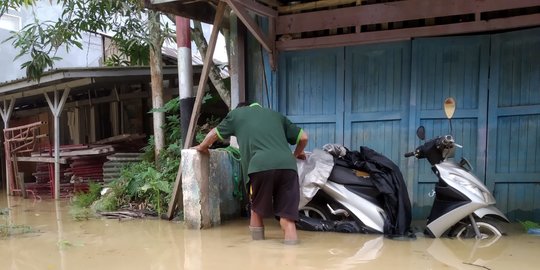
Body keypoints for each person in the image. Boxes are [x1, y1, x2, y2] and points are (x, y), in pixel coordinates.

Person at [193, 102, 308, 245]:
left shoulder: (237, 114)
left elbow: (213, 134)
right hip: (288, 168)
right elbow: (303, 137)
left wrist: (202, 147)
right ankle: (291, 257)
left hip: (260, 167)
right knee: (287, 218)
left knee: (256, 209)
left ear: (241, 108)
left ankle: (256, 253)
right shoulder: (276, 115)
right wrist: (296, 155)